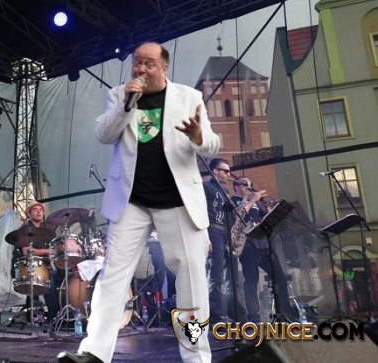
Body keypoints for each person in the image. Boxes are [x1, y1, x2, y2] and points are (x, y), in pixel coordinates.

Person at [58, 41, 220, 363]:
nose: (141, 69)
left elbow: (213, 144)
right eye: (137, 62)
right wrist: (126, 106)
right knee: (112, 276)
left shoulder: (189, 97)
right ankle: (94, 353)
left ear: (164, 67)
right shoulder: (120, 94)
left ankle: (196, 357)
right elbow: (104, 134)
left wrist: (198, 136)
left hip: (176, 199)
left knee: (191, 279)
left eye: (149, 63)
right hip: (131, 200)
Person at [231, 177, 296, 322]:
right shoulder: (234, 201)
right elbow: (239, 216)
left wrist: (269, 209)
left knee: (280, 277)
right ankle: (254, 317)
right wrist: (253, 199)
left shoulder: (255, 203)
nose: (248, 187)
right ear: (236, 186)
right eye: (245, 184)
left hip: (264, 245)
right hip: (248, 246)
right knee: (251, 281)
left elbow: (265, 221)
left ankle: (284, 313)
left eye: (250, 185)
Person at [203, 158, 246, 324]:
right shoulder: (205, 187)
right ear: (215, 171)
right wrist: (205, 236)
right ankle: (216, 317)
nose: (229, 174)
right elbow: (200, 212)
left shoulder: (226, 191)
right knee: (216, 276)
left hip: (227, 234)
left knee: (233, 278)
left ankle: (236, 315)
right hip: (213, 231)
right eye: (226, 171)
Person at [13, 202, 59, 324]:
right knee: (50, 285)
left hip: (42, 265)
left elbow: (45, 252)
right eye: (35, 210)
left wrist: (50, 256)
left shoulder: (44, 231)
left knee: (60, 278)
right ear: (29, 214)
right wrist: (47, 251)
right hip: (30, 267)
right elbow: (26, 251)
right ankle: (53, 319)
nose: (39, 212)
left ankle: (39, 316)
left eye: (41, 210)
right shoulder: (25, 229)